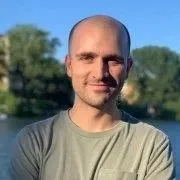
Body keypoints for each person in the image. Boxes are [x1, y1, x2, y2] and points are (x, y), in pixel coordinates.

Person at [9, 15, 175, 180]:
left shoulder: (152, 145)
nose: (100, 73)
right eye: (87, 58)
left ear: (128, 68)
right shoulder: (34, 141)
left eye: (113, 60)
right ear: (69, 66)